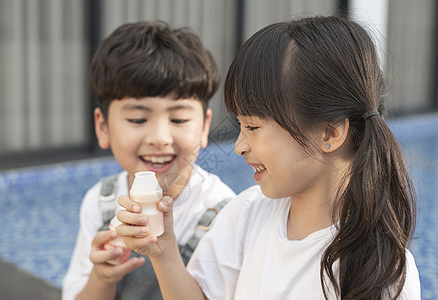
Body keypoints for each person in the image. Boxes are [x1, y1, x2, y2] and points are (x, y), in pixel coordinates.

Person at [116, 15, 421, 299]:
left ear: (329, 134)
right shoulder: (247, 215)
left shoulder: (384, 270)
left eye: (252, 126)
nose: (239, 146)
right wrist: (164, 252)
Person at [61, 21, 236, 300]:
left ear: (204, 127)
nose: (159, 137)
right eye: (138, 119)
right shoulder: (101, 201)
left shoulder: (224, 213)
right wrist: (102, 276)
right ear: (102, 126)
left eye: (178, 119)